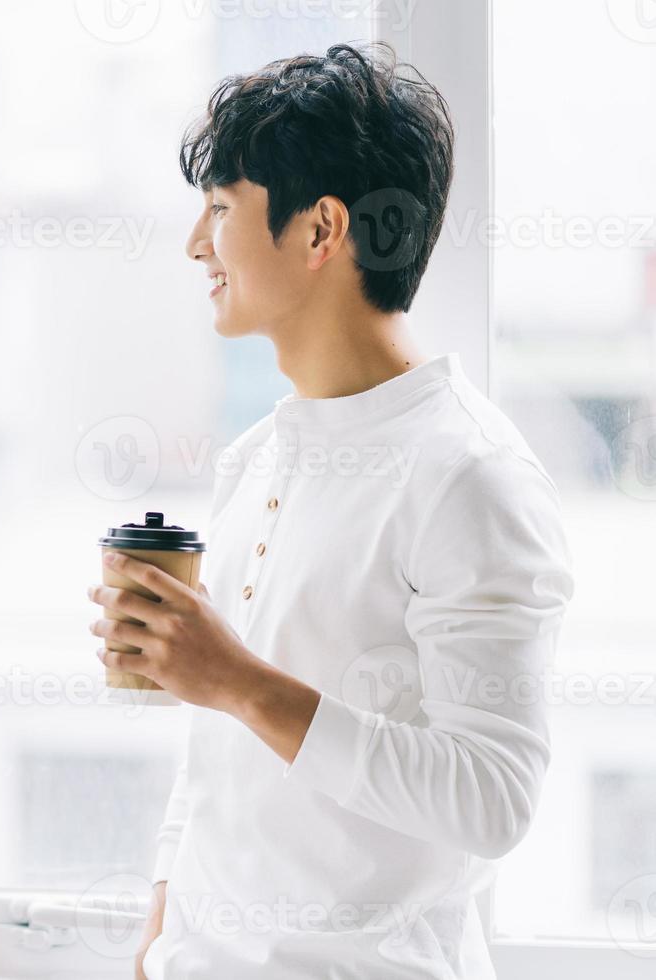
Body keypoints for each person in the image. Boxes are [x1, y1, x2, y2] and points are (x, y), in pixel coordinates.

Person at [86, 43, 574, 979]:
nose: (197, 243)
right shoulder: (255, 458)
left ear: (321, 233)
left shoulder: (470, 476)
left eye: (222, 209)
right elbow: (215, 756)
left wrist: (234, 678)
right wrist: (155, 946)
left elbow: (494, 798)